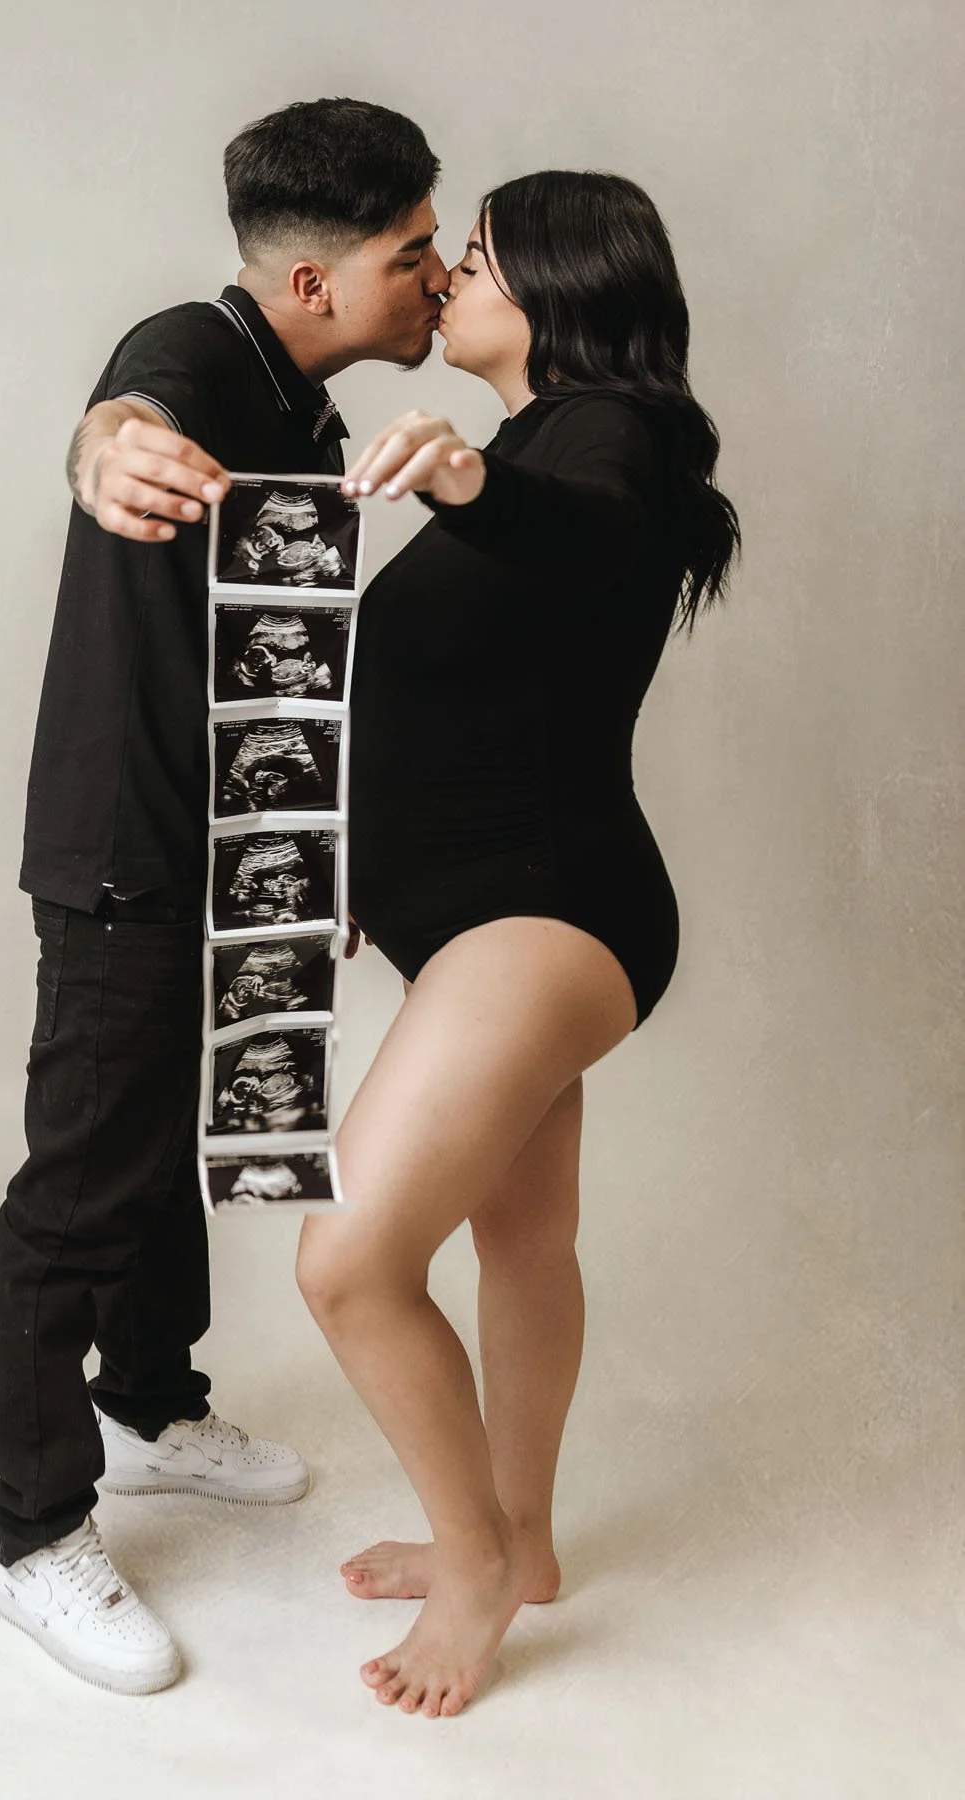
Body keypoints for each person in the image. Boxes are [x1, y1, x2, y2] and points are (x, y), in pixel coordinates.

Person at [0, 95, 448, 1695]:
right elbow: (120, 418)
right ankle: (38, 1536)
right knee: (79, 1181)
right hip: (122, 844)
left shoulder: (312, 419)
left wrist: (315, 856)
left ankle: (154, 1404)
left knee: (187, 1130)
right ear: (311, 284)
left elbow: (283, 682)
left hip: (234, 854)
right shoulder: (193, 351)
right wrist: (104, 451)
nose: (439, 276)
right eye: (410, 253)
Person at [295, 170, 741, 1718]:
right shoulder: (548, 444)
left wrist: (478, 486)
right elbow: (461, 698)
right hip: (495, 912)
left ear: (549, 286)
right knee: (520, 1240)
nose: (442, 284)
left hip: (540, 912)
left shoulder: (594, 442)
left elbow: (594, 532)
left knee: (350, 1257)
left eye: (468, 259)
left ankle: (479, 1565)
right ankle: (528, 1540)